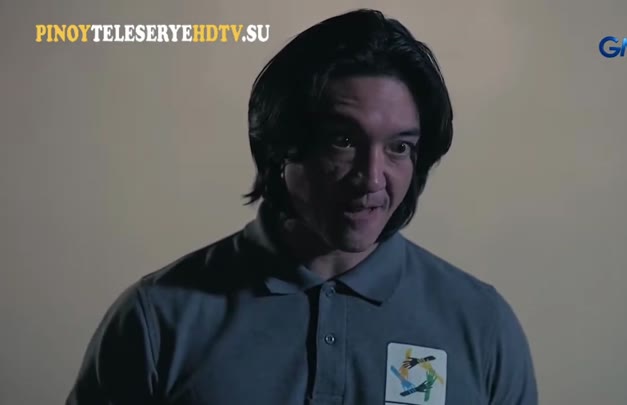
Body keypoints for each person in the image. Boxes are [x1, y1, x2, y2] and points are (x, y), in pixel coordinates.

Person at [66, 8, 538, 405]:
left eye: (399, 147)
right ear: (280, 146)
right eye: (342, 141)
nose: (372, 178)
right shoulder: (158, 318)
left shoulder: (481, 323)